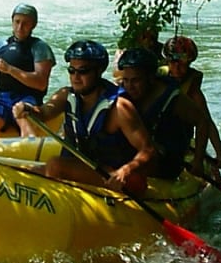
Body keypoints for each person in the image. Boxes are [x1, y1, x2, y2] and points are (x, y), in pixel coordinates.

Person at [13, 40, 153, 193]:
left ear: (99, 71)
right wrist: (27, 109)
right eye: (71, 71)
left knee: (55, 165)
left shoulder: (119, 108)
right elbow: (43, 113)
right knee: (25, 172)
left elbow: (148, 149)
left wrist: (126, 170)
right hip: (80, 169)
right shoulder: (65, 95)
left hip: (112, 176)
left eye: (83, 71)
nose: (76, 77)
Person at [115, 47, 214, 180]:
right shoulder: (123, 95)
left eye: (135, 80)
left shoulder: (174, 99)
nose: (129, 86)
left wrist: (198, 161)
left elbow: (202, 122)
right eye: (126, 80)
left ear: (151, 78)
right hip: (140, 154)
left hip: (168, 161)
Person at [0, 3, 55, 139]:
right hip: (1, 98)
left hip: (27, 98)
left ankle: (29, 147)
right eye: (17, 22)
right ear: (12, 21)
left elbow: (41, 83)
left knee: (25, 122)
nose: (20, 27)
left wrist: (10, 69)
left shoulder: (40, 48)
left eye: (25, 23)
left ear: (33, 25)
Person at [163, 35, 221, 169]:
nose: (177, 68)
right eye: (173, 62)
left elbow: (206, 121)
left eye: (183, 63)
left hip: (181, 139)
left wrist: (219, 153)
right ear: (167, 61)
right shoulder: (156, 78)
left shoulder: (193, 90)